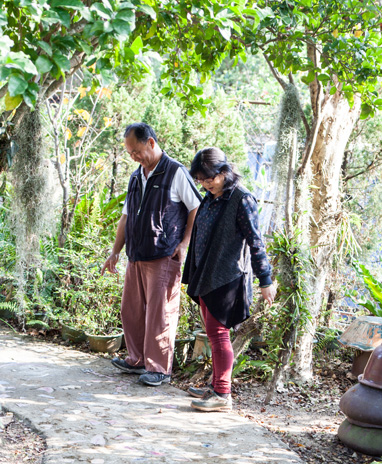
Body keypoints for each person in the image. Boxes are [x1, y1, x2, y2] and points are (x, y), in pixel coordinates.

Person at [101, 123, 201, 386]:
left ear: (151, 143)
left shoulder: (175, 172)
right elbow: (125, 217)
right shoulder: (136, 177)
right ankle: (137, 360)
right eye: (129, 152)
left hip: (163, 255)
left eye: (135, 150)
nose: (133, 156)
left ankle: (159, 368)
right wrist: (115, 252)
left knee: (160, 312)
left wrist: (184, 244)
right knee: (130, 310)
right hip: (136, 254)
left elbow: (196, 208)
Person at [182, 147, 276, 412]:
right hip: (205, 274)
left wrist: (265, 280)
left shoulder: (242, 199)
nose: (205, 183)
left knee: (218, 333)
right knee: (213, 334)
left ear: (224, 171)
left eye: (209, 178)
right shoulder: (212, 197)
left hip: (226, 277)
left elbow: (256, 241)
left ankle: (223, 394)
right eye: (200, 179)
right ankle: (215, 386)